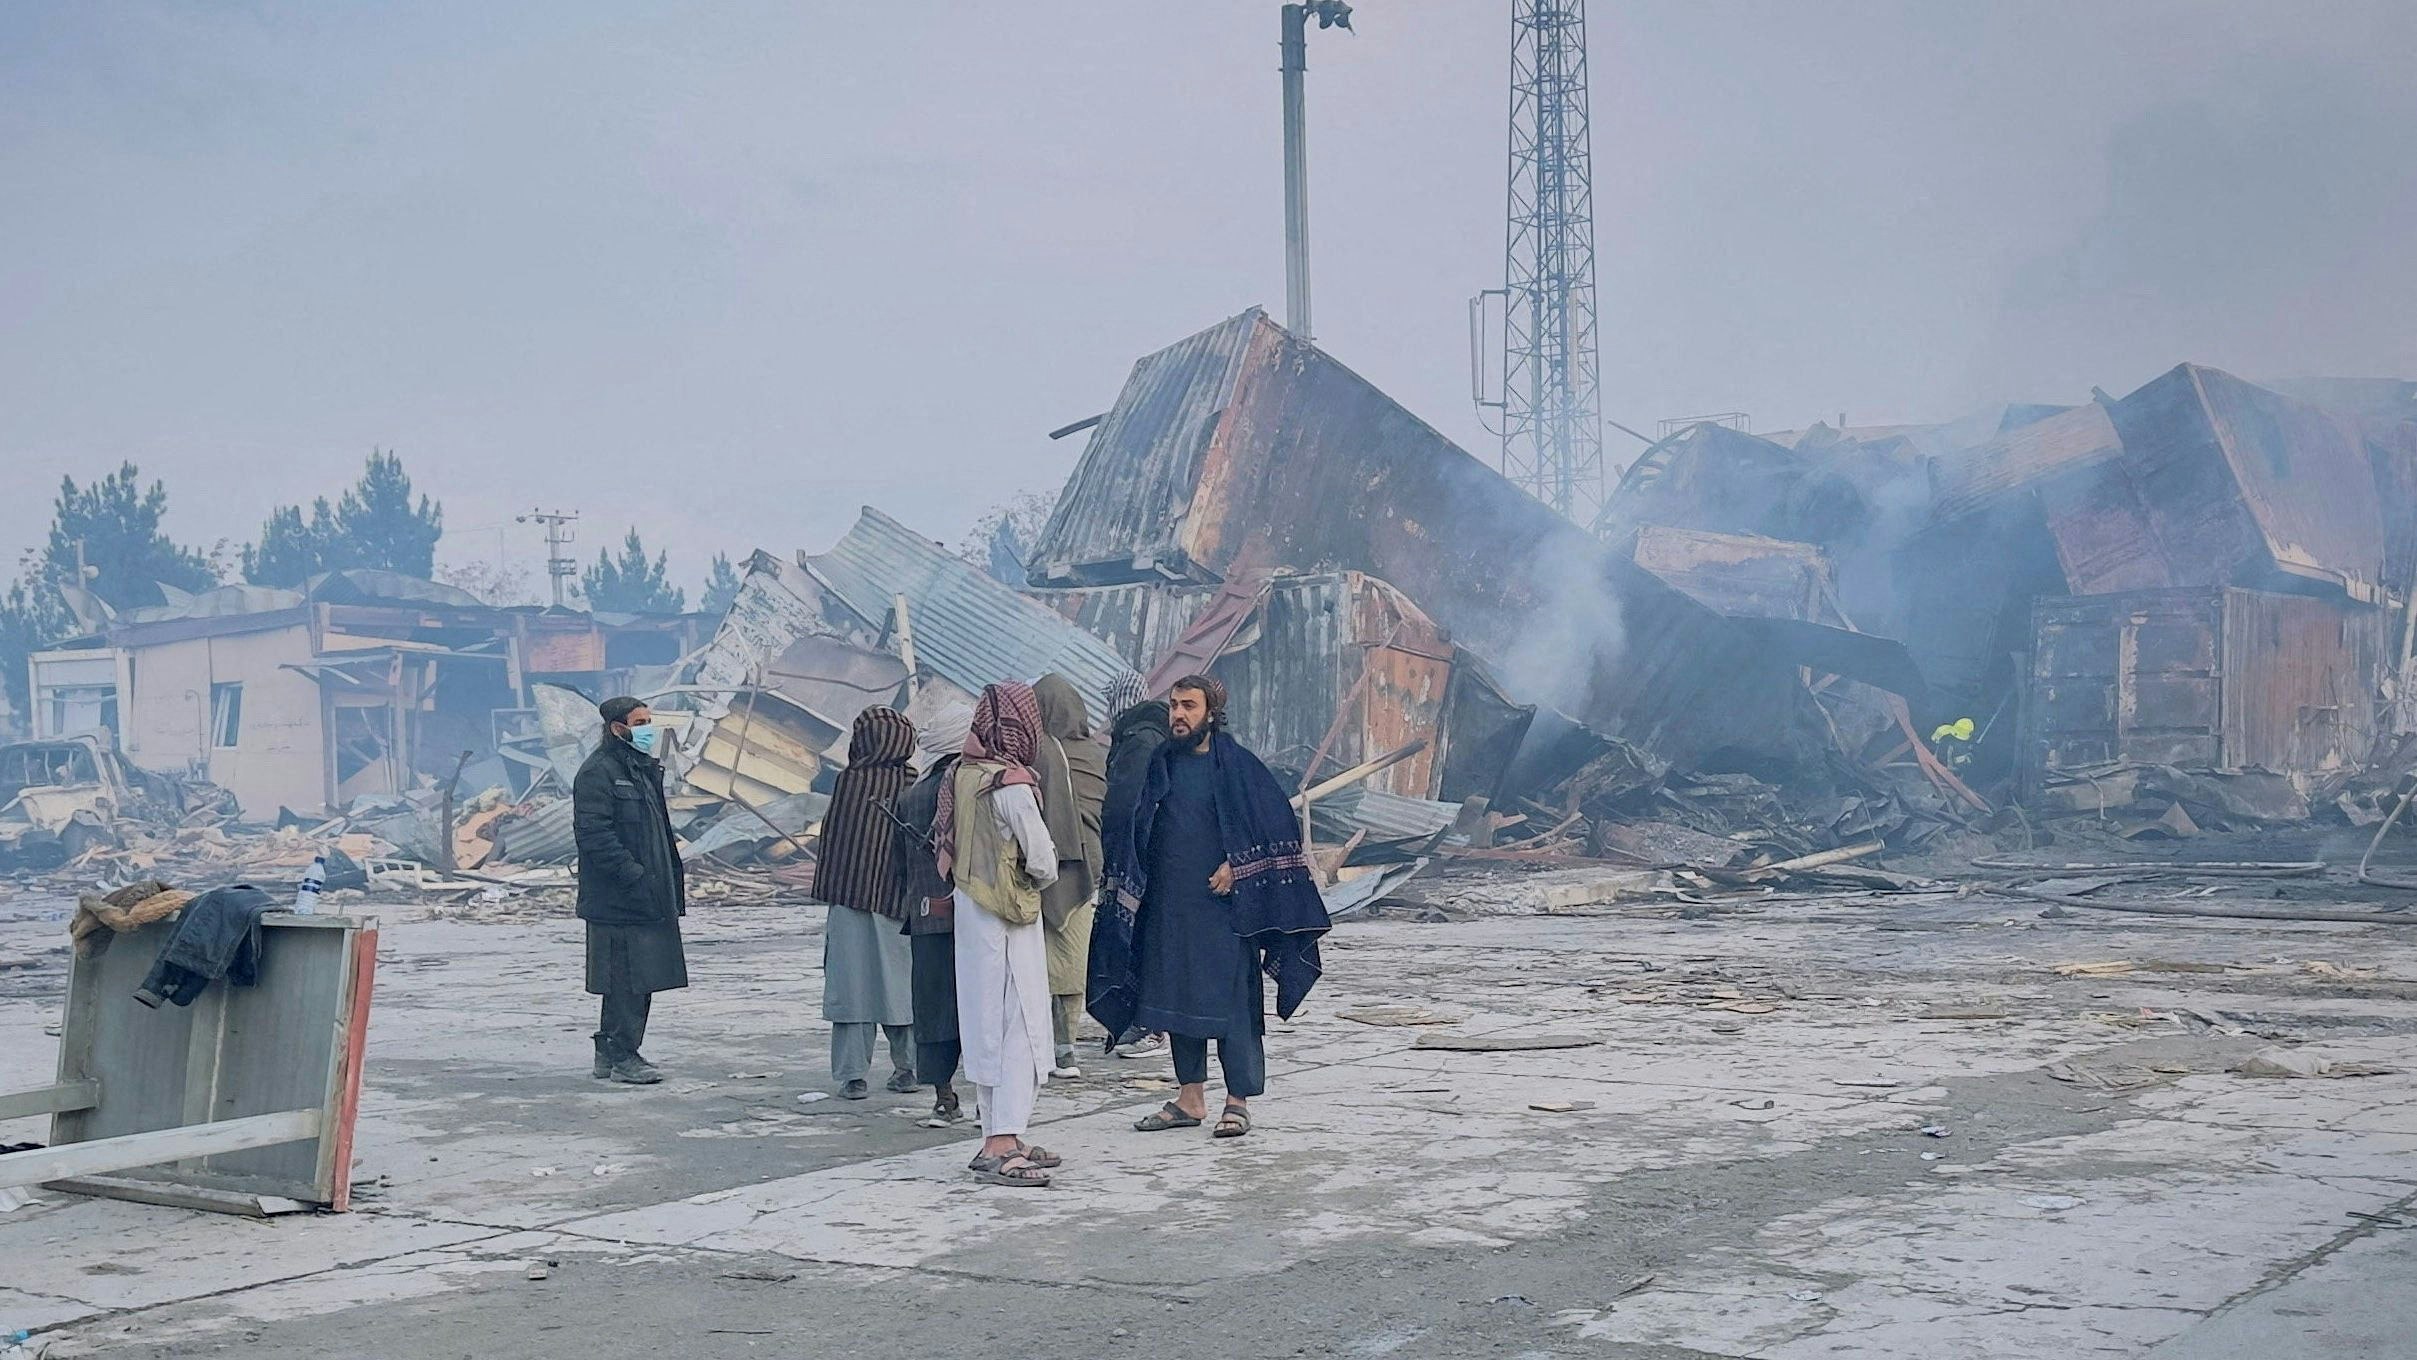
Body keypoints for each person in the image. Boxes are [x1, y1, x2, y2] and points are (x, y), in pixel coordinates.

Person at [1094, 675, 1332, 1139]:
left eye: (1189, 705)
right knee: (1176, 1001)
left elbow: (1276, 827)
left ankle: (1237, 1101)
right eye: (1174, 705)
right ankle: (1190, 1098)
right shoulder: (1161, 763)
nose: (1178, 715)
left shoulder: (1239, 767)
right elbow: (1135, 824)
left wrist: (1239, 865)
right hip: (1169, 908)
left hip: (1225, 914)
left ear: (1211, 713)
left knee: (1234, 1008)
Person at [937, 682, 1061, 1187]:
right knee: (1021, 1028)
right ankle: (1003, 1144)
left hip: (972, 917)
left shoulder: (962, 774)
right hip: (1010, 923)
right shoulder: (1011, 786)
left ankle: (996, 1133)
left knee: (985, 1027)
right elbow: (1044, 860)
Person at [572, 696, 689, 1085]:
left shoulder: (641, 769)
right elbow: (594, 835)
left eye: (649, 721)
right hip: (619, 898)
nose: (648, 730)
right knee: (626, 978)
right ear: (617, 729)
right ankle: (623, 1055)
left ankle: (611, 1051)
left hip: (649, 892)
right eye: (640, 723)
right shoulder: (598, 773)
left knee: (638, 979)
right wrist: (634, 875)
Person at [812, 707, 919, 1100]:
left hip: (849, 899)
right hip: (899, 904)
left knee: (852, 987)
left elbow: (836, 843)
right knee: (901, 989)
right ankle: (908, 1069)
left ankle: (853, 1076)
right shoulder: (914, 784)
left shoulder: (849, 782)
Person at [1031, 674, 1106, 1078]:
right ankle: (1067, 1047)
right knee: (1073, 959)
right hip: (1089, 868)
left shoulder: (1035, 753)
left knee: (1041, 960)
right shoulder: (1096, 754)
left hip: (1042, 866)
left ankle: (1044, 1045)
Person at [1096, 674, 1170, 1060]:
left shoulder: (1139, 739)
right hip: (1155, 853)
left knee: (1141, 938)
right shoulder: (1149, 732)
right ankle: (1143, 1021)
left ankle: (1152, 1027)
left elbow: (1124, 805)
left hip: (1140, 855)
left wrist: (1115, 850)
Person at [893, 739, 963, 1126]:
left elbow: (898, 865)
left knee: (934, 1009)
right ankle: (990, 1103)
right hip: (974, 917)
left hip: (926, 917)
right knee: (981, 1009)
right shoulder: (970, 785)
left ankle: (944, 1098)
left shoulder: (911, 796)